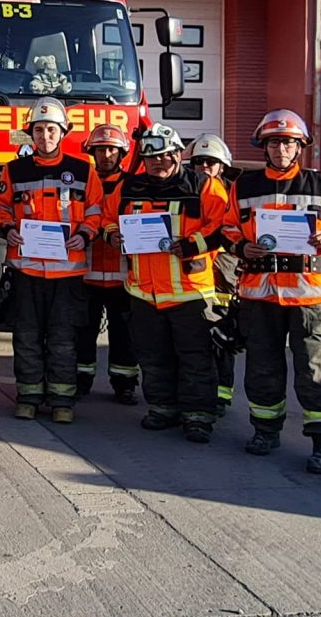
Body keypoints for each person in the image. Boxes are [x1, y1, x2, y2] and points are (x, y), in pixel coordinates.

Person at [230, 108, 321, 475]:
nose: (281, 149)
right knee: (262, 367)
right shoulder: (243, 186)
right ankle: (266, 431)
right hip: (260, 294)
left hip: (309, 296)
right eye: (274, 142)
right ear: (264, 147)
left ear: (300, 146)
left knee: (316, 369)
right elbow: (228, 229)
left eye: (288, 142)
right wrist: (242, 247)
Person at [98, 125, 237, 444]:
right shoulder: (128, 187)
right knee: (153, 355)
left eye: (164, 155)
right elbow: (106, 218)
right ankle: (162, 408)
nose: (158, 162)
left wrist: (194, 244)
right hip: (142, 291)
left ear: (178, 154)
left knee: (195, 357)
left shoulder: (204, 186)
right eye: (150, 157)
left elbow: (225, 226)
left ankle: (198, 416)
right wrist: (112, 235)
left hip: (190, 292)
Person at [0, 97, 91, 424]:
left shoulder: (82, 170)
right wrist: (9, 230)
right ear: (30, 133)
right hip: (26, 269)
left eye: (51, 129)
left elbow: (97, 211)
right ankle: (29, 396)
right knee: (27, 335)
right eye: (39, 129)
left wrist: (85, 235)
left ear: (63, 133)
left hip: (67, 273)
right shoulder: (14, 169)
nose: (45, 135)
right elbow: (0, 207)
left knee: (63, 337)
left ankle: (62, 400)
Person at [75, 120, 140, 403]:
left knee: (124, 332)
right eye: (100, 150)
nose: (106, 156)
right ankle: (81, 378)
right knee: (83, 330)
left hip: (122, 275)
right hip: (85, 273)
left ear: (122, 153)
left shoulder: (132, 187)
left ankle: (124, 383)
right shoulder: (80, 182)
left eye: (112, 150)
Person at [190, 134, 240, 420]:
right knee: (196, 340)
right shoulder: (187, 192)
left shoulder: (231, 194)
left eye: (210, 162)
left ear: (222, 166)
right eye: (198, 162)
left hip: (223, 271)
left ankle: (221, 395)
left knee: (222, 338)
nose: (204, 166)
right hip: (196, 275)